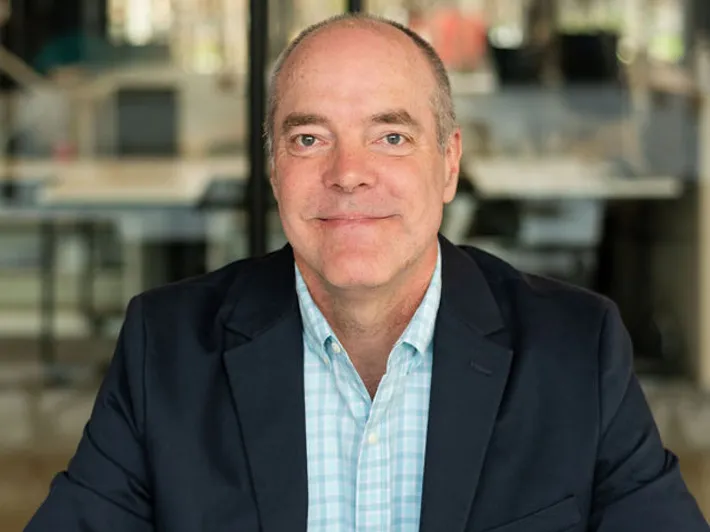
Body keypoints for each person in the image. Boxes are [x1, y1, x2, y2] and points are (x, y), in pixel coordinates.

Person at [25, 13, 708, 532]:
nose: (348, 173)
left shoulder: (575, 348)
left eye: (391, 136)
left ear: (447, 164)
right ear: (273, 170)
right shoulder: (166, 347)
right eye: (309, 138)